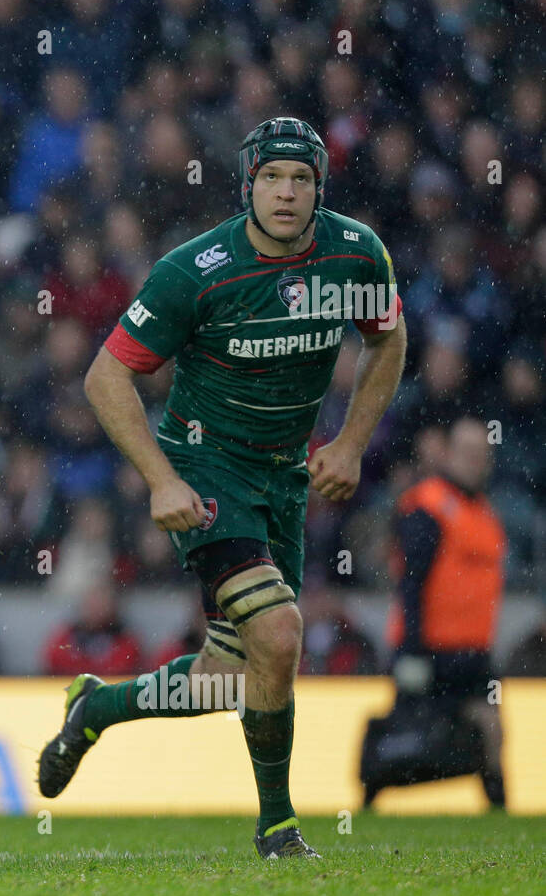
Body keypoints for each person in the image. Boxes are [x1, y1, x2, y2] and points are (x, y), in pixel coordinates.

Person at [39, 118, 408, 858]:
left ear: (319, 190)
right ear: (247, 185)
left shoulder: (356, 253)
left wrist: (352, 443)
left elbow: (388, 337)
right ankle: (278, 827)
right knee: (279, 634)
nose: (286, 192)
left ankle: (97, 705)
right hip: (206, 471)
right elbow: (105, 375)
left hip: (285, 476)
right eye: (272, 177)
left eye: (301, 179)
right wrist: (162, 480)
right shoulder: (195, 269)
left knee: (228, 675)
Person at [375, 416, 507, 807]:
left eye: (482, 454)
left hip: (472, 654)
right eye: (467, 452)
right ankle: (369, 796)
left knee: (493, 727)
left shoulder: (484, 513)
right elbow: (410, 584)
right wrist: (413, 652)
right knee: (406, 734)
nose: (476, 461)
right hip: (428, 649)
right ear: (446, 453)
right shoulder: (428, 507)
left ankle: (500, 811)